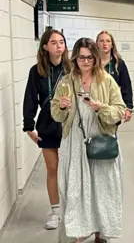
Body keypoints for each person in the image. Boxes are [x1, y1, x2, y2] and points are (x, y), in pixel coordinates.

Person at [51, 38, 126, 243]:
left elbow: (120, 110)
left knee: (102, 189)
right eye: (81, 57)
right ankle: (76, 232)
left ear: (95, 58)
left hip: (100, 140)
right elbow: (55, 114)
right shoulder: (66, 82)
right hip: (74, 143)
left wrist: (100, 107)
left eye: (90, 57)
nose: (85, 61)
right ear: (75, 58)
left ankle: (100, 233)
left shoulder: (107, 81)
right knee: (75, 189)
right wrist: (62, 107)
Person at [22, 29, 71, 230]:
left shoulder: (72, 69)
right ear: (45, 47)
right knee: (52, 169)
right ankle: (55, 211)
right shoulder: (37, 71)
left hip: (69, 124)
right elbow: (30, 98)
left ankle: (73, 209)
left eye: (62, 42)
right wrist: (28, 126)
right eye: (54, 42)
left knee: (71, 170)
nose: (59, 45)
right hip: (47, 124)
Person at [97, 31, 133, 124]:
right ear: (97, 44)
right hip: (96, 106)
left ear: (112, 45)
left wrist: (128, 107)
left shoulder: (119, 64)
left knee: (111, 135)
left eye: (108, 41)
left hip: (113, 107)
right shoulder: (92, 63)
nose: (105, 44)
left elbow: (126, 87)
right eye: (101, 41)